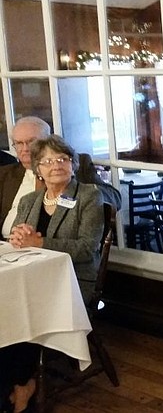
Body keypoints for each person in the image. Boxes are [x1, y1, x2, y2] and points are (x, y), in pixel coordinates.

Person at [2, 135, 105, 413]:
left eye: (62, 159)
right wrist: (20, 236)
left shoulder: (88, 196)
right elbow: (21, 238)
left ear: (72, 165)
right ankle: (12, 382)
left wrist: (40, 242)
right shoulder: (30, 200)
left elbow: (86, 248)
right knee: (8, 306)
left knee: (22, 309)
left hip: (71, 281)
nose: (55, 165)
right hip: (33, 278)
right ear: (38, 169)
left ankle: (22, 384)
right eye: (47, 161)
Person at [0, 117, 120, 242]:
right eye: (19, 143)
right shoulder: (5, 174)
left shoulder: (71, 165)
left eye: (32, 141)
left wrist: (76, 188)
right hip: (8, 247)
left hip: (56, 250)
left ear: (47, 141)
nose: (25, 149)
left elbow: (114, 197)